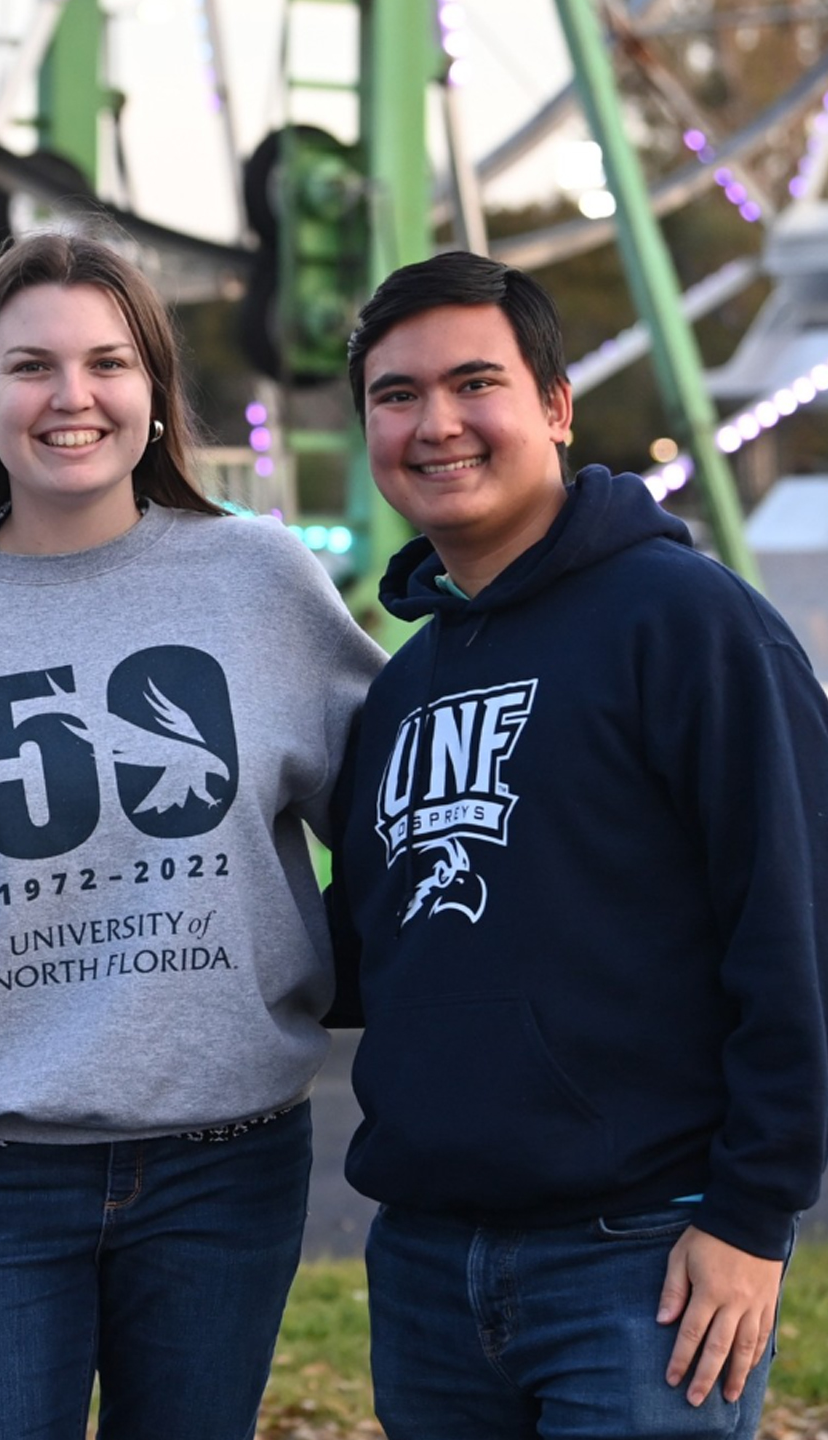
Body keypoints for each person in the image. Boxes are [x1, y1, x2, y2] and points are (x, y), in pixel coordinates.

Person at [0, 230, 385, 1440]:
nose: (72, 397)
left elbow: (394, 815)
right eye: (31, 366)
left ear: (154, 390)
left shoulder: (261, 581)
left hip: (225, 1162)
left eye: (107, 363)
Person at [328, 249, 828, 1440]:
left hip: (644, 1260)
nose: (436, 424)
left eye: (474, 384)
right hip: (428, 1261)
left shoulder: (691, 625)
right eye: (396, 397)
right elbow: (375, 957)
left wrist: (753, 1219)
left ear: (555, 406)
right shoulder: (401, 690)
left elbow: (797, 929)